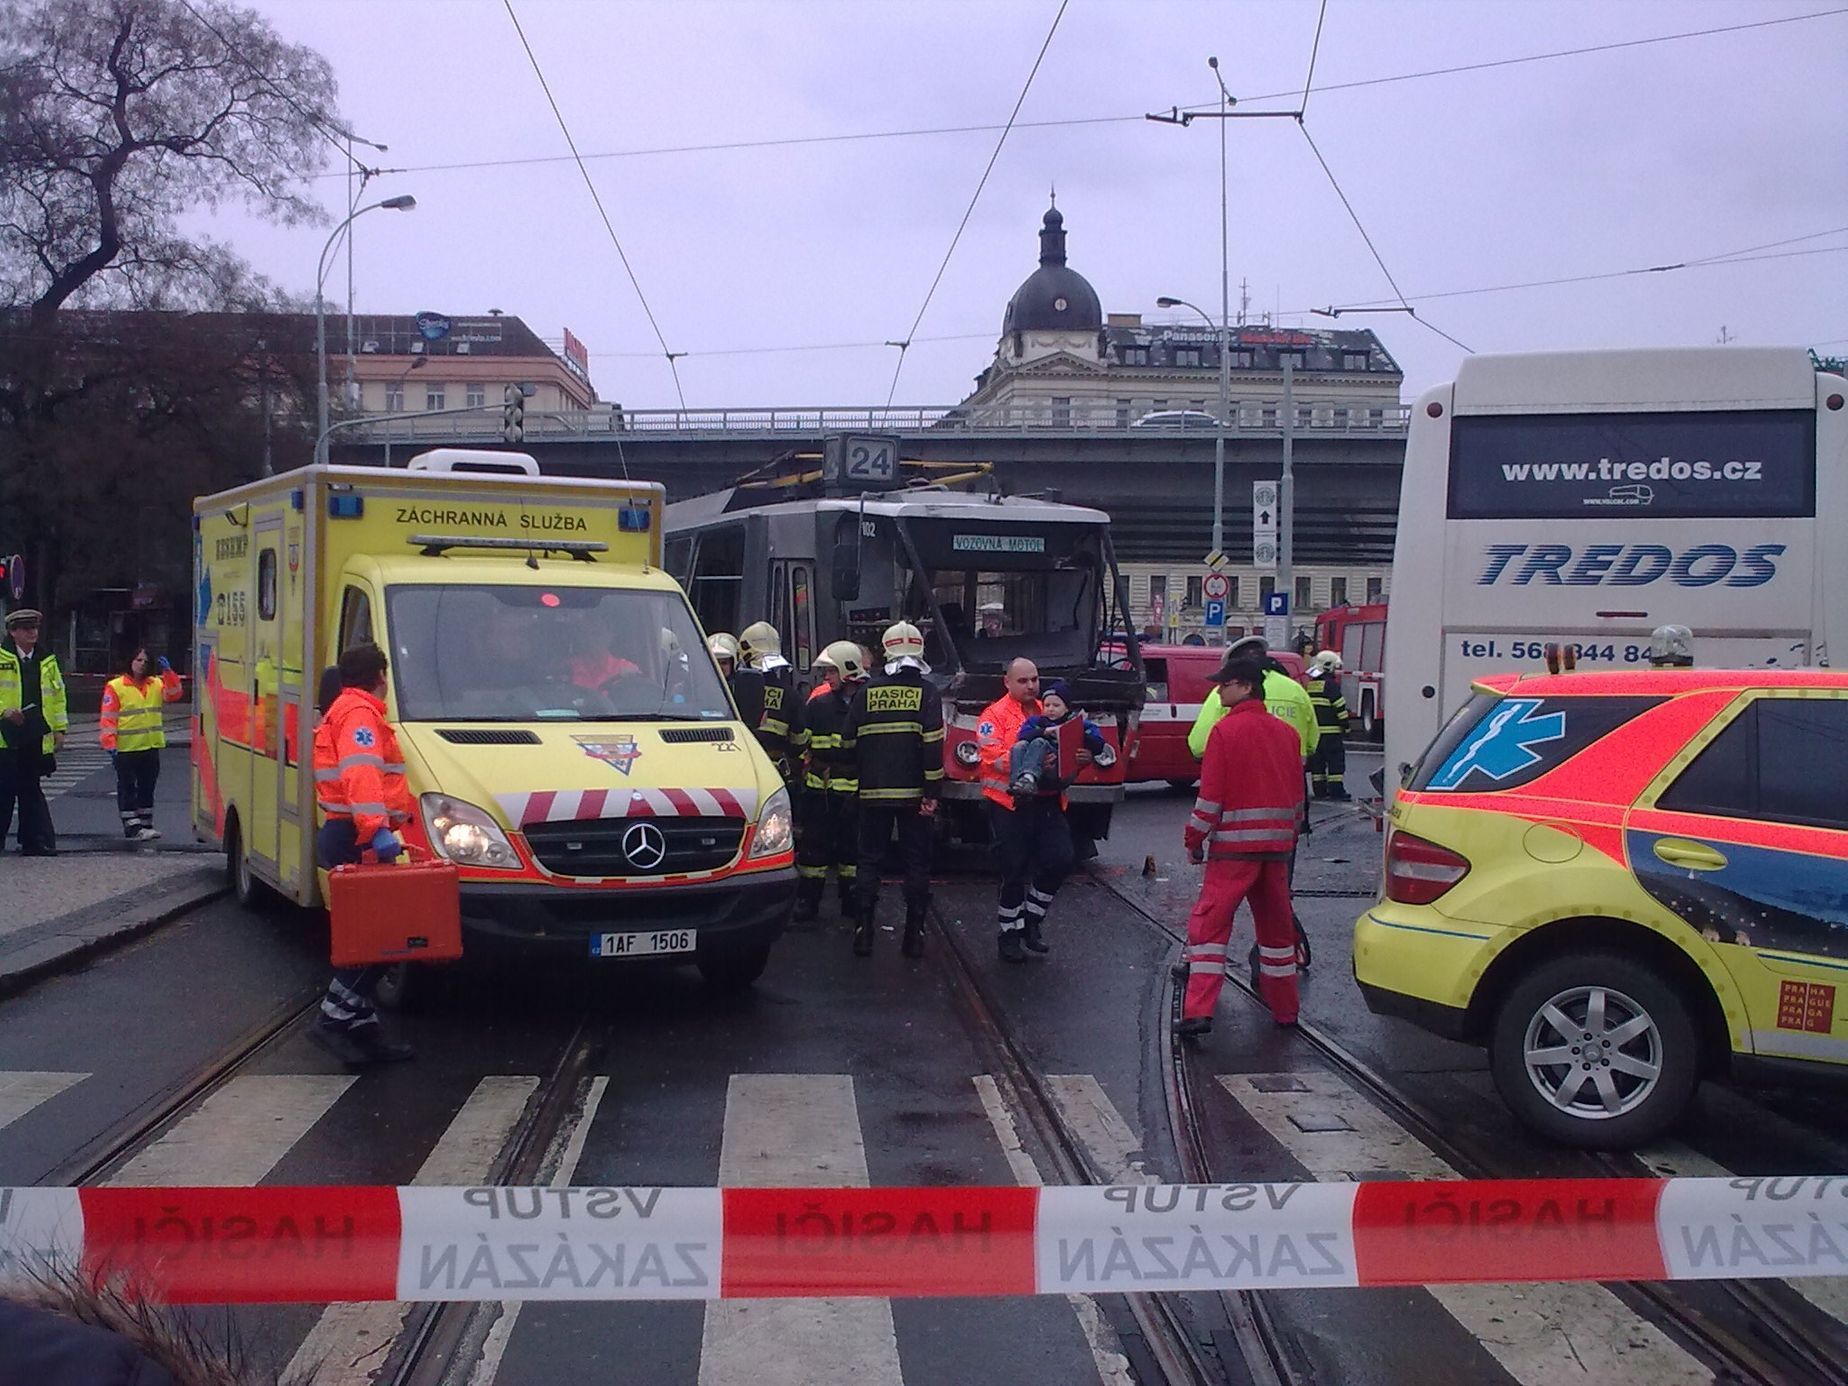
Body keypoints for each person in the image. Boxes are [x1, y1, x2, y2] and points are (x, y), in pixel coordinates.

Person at [1177, 655, 1306, 1037]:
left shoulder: (1225, 732)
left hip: (1233, 853)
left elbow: (1210, 800)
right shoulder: (1287, 734)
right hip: (1277, 849)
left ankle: (1199, 1012)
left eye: (1226, 683)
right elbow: (1297, 798)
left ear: (1246, 686)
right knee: (1278, 935)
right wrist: (1288, 836)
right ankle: (1286, 1010)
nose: (1218, 689)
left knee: (1209, 931)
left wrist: (1194, 840)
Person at [310, 642, 417, 1067]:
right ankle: (332, 1019)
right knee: (383, 940)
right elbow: (361, 775)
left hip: (347, 834)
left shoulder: (346, 709)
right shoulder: (360, 715)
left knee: (370, 939)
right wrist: (376, 833)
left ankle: (365, 1033)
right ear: (380, 677)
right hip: (358, 837)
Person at [978, 657, 1092, 963]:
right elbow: (994, 758)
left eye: (1034, 680)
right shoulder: (994, 715)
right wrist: (1032, 762)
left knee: (1061, 859)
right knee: (1013, 871)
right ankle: (1009, 935)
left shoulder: (1051, 710)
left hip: (1048, 801)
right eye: (1023, 681)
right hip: (1010, 804)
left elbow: (1071, 752)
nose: (1031, 686)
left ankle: (1032, 919)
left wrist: (1080, 758)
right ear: (1007, 682)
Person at [847, 622, 943, 958]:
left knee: (869, 860)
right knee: (916, 863)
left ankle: (863, 932)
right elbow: (933, 748)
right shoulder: (928, 693)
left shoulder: (866, 691)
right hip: (915, 797)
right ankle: (914, 936)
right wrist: (933, 793)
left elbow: (848, 743)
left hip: (872, 794)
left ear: (886, 650)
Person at [794, 641, 867, 922]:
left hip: (853, 793)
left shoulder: (865, 705)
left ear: (848, 672)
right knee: (813, 848)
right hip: (818, 790)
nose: (826, 678)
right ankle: (808, 901)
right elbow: (802, 741)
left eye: (831, 672)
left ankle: (852, 902)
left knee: (852, 852)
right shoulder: (818, 705)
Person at [1186, 634, 1318, 763]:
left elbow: (1198, 745)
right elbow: (1312, 743)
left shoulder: (1226, 692)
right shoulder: (1296, 690)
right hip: (1290, 777)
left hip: (1243, 774)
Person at [0, 608, 68, 857]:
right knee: (4, 790)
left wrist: (60, 730)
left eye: (35, 628)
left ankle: (32, 841)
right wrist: (4, 711)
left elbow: (58, 696)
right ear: (13, 632)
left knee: (30, 789)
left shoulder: (46, 660)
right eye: (26, 629)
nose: (32, 633)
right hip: (4, 737)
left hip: (35, 735)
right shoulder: (1, 657)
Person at [99, 647, 185, 840]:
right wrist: (110, 744)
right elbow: (108, 718)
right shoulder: (116, 686)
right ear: (130, 662)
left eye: (145, 661)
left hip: (150, 745)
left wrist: (169, 673)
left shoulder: (155, 683)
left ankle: (146, 823)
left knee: (147, 787)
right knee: (128, 787)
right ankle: (132, 826)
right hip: (125, 748)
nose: (141, 665)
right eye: (138, 660)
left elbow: (174, 694)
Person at [1008, 679, 1106, 798]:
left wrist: (1076, 735)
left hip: (1058, 768)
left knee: (1039, 742)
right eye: (1047, 705)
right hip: (1039, 765)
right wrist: (1044, 731)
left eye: (1056, 705)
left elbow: (1099, 744)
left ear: (1066, 708)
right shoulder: (1037, 721)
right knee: (1019, 745)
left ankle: (1028, 779)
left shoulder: (1077, 724)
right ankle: (1017, 784)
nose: (1051, 709)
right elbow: (1022, 735)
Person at [738, 621, 800, 781]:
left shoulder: (735, 689)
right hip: (777, 774)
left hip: (744, 769)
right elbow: (799, 741)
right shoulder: (791, 694)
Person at [1304, 650, 1351, 800]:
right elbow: (1340, 708)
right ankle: (1336, 792)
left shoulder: (1311, 685)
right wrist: (1346, 726)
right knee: (1335, 763)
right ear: (1329, 666)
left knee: (1318, 764)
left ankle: (1320, 791)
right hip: (1331, 734)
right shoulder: (1331, 685)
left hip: (1316, 734)